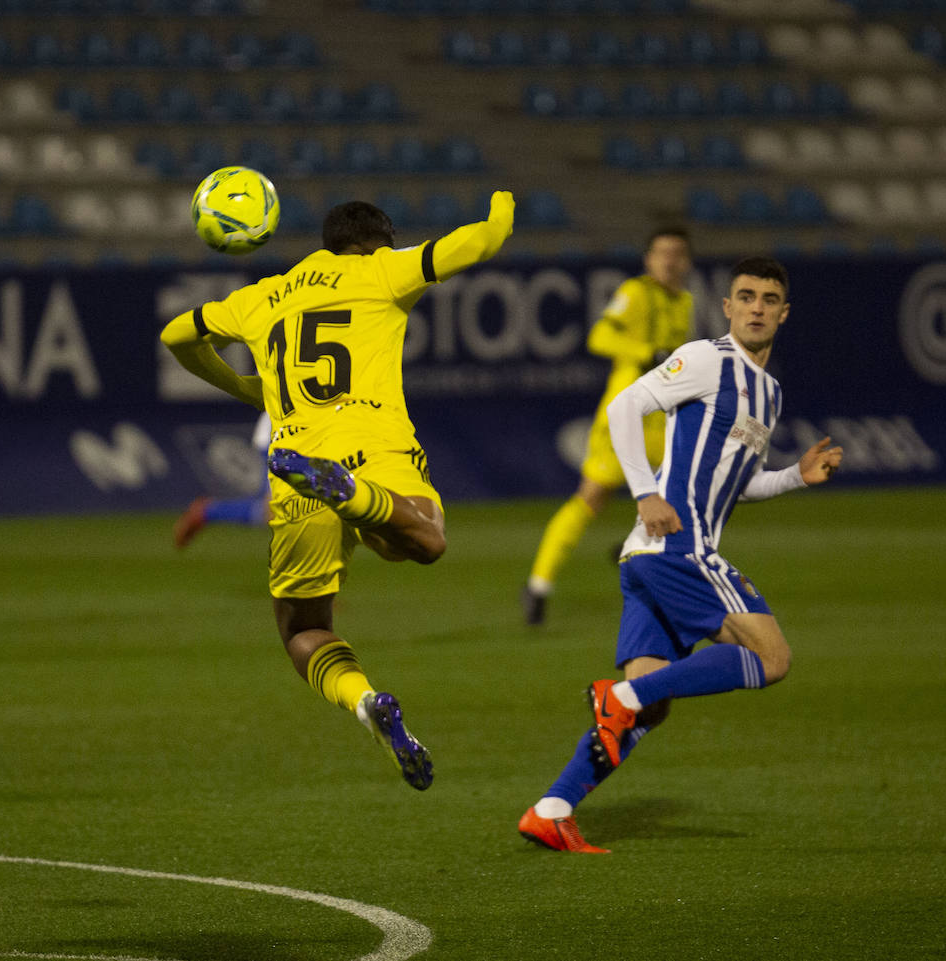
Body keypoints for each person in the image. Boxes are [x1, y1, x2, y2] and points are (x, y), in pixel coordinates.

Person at [160, 192, 516, 790]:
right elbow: (476, 241)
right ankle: (353, 495)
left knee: (303, 631)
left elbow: (177, 335)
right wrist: (502, 209)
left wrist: (248, 390)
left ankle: (365, 701)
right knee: (424, 540)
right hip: (377, 445)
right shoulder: (383, 268)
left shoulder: (260, 297)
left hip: (296, 464)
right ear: (382, 240)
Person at [518, 256, 843, 851]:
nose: (756, 308)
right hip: (677, 546)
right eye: (745, 296)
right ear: (727, 306)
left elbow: (739, 483)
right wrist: (644, 491)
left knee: (653, 704)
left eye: (769, 299)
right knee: (772, 658)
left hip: (650, 558)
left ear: (784, 313)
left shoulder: (767, 393)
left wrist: (795, 475)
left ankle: (553, 807)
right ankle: (619, 696)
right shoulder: (705, 358)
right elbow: (623, 408)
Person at [522, 226, 695, 626]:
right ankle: (538, 585)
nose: (670, 260)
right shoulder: (635, 294)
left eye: (678, 253)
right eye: (662, 252)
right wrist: (645, 352)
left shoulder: (684, 300)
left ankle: (638, 543)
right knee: (591, 497)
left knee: (684, 496)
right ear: (649, 260)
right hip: (627, 417)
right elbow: (600, 336)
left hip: (664, 419)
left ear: (686, 261)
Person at [173, 411, 273, 548]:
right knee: (277, 509)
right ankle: (207, 511)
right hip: (283, 430)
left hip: (305, 432)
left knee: (279, 510)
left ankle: (207, 511)